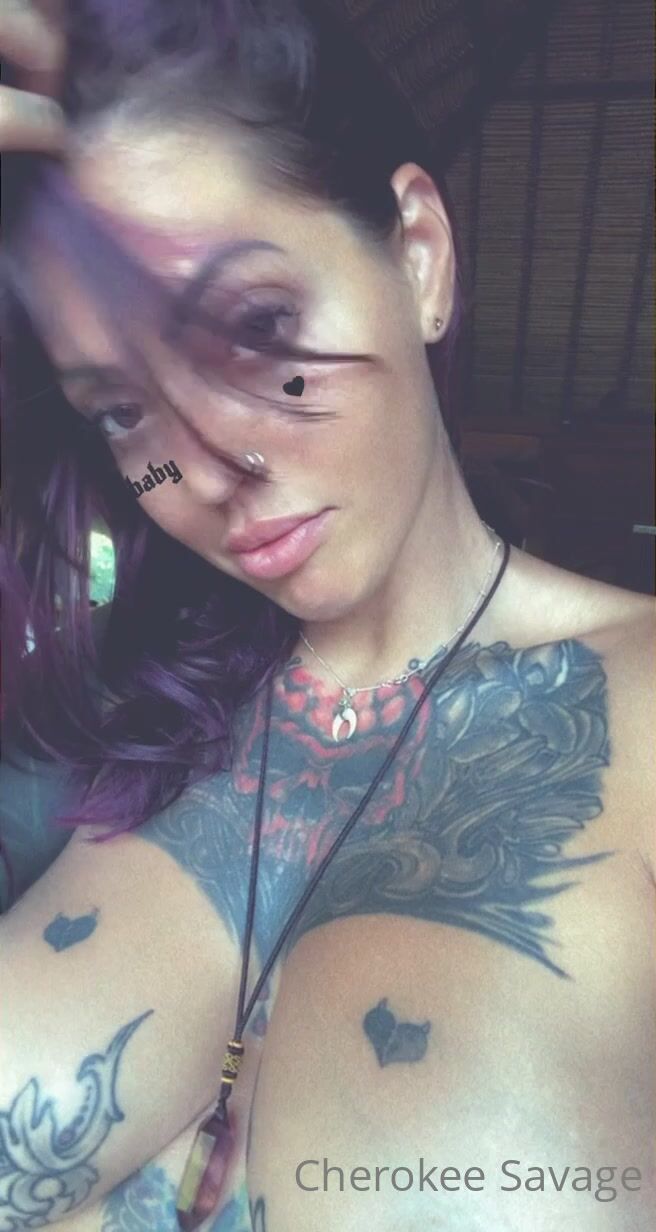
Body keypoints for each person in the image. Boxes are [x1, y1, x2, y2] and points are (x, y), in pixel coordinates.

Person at [0, 2, 654, 1230]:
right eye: (121, 410)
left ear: (418, 257)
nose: (206, 467)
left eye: (258, 331)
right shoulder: (142, 724)